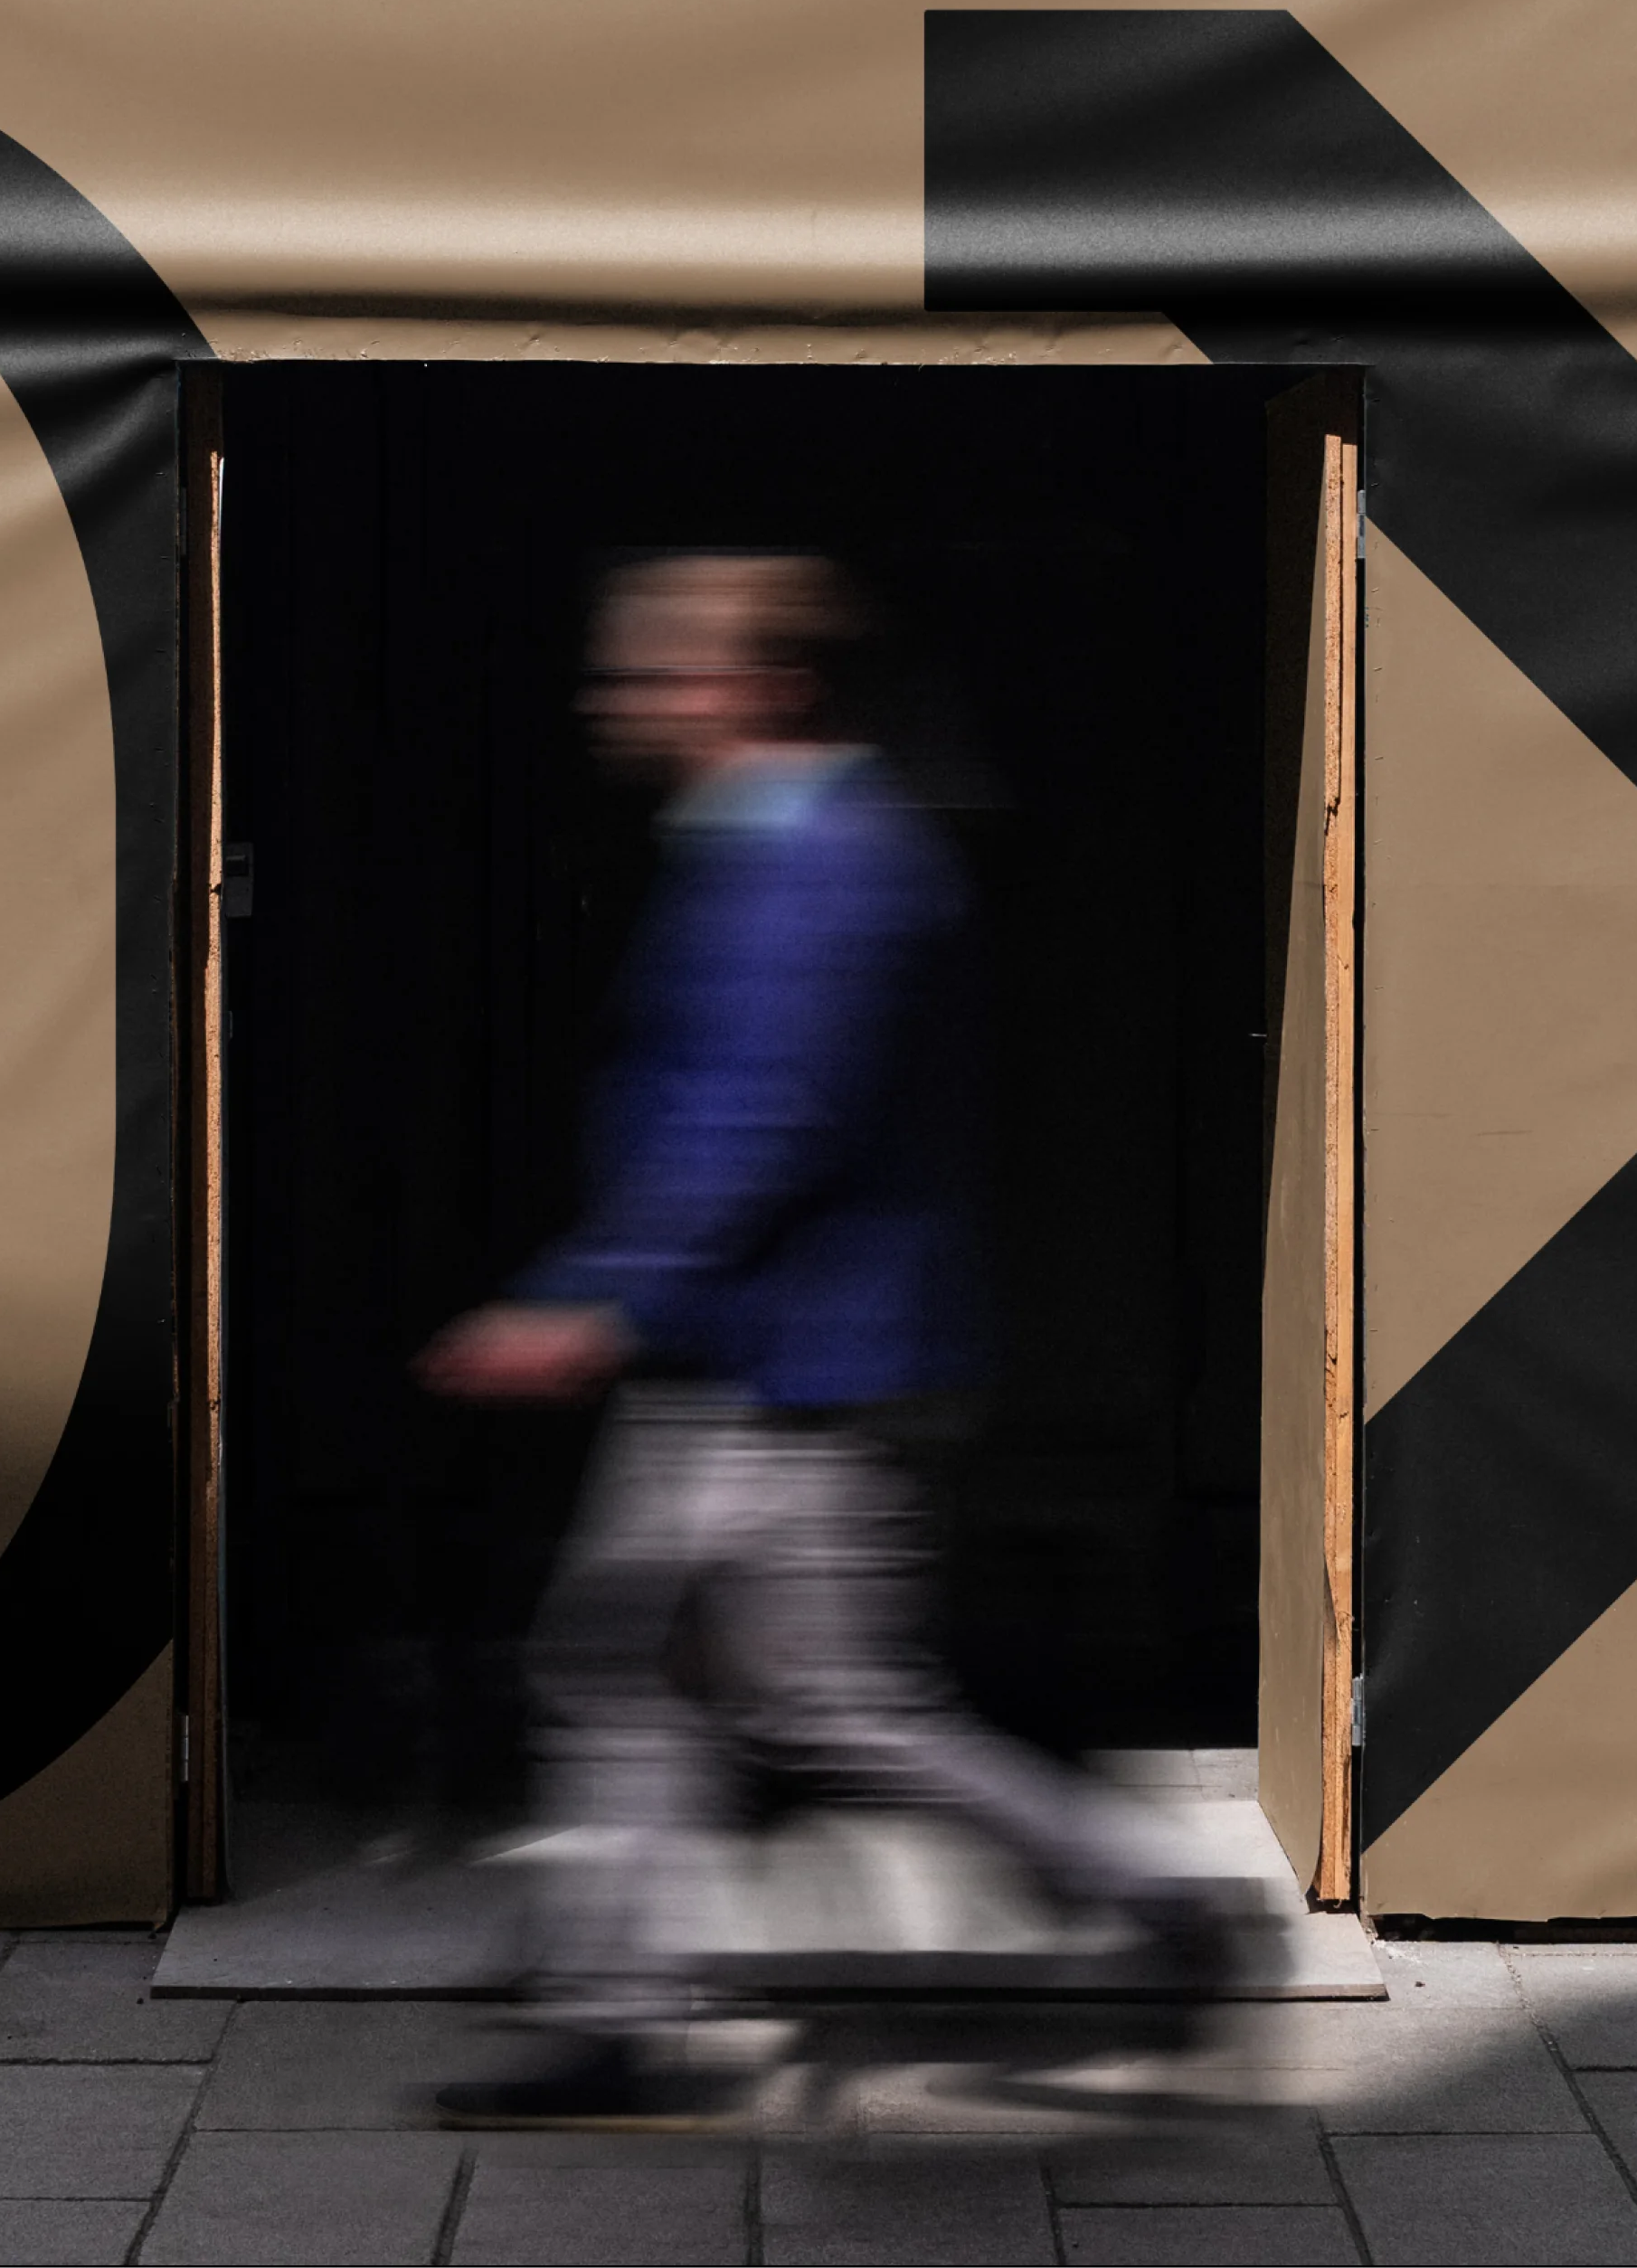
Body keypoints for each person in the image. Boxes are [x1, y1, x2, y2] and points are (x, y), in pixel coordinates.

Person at [421, 551, 1254, 2131]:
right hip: (738, 1354)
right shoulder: (761, 846)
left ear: (763, 687)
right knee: (627, 1664)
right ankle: (619, 2012)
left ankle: (1154, 1895)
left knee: (821, 1697)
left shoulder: (834, 861)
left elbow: (770, 1112)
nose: (625, 699)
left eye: (661, 671)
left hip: (808, 1367)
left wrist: (598, 1292)